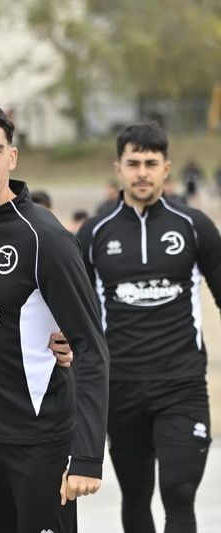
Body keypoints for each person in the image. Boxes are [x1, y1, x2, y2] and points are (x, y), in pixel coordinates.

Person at [0, 102, 110, 532]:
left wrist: (88, 455)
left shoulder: (46, 239)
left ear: (12, 158)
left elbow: (91, 348)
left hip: (37, 443)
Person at [76, 122, 220, 533]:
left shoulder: (194, 226)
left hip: (182, 385)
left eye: (151, 163)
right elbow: (73, 311)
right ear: (118, 168)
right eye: (133, 163)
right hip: (121, 387)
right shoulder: (94, 232)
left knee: (178, 491)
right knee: (136, 496)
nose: (142, 172)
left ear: (166, 168)